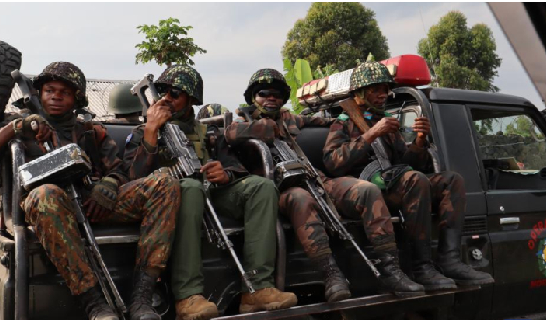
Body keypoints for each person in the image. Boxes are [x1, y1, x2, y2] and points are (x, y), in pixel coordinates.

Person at [0, 62, 181, 320]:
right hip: (47, 210)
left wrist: (108, 184)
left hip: (91, 203)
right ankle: (94, 303)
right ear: (39, 93)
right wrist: (16, 129)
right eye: (49, 89)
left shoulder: (90, 132)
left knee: (165, 183)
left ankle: (142, 299)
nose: (56, 95)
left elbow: (123, 171)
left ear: (77, 99)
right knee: (46, 195)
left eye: (65, 91)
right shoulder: (21, 127)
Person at [224, 69, 425, 300]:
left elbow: (324, 120)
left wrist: (354, 120)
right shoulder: (241, 121)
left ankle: (392, 271)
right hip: (278, 189)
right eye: (263, 93)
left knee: (366, 190)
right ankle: (331, 275)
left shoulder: (290, 118)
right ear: (252, 97)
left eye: (277, 94)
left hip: (315, 178)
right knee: (301, 199)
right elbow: (230, 134)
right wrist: (267, 128)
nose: (271, 98)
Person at [123, 65, 297, 320]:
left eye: (175, 94)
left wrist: (225, 173)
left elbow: (232, 165)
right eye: (162, 92)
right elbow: (132, 178)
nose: (166, 99)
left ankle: (258, 288)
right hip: (171, 201)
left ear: (191, 100)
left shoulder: (207, 132)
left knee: (262, 187)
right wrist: (151, 132)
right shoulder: (143, 132)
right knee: (190, 188)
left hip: (211, 193)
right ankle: (188, 295)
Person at [323, 61, 494, 289]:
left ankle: (449, 260)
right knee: (414, 180)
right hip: (366, 195)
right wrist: (372, 134)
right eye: (376, 89)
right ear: (359, 94)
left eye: (385, 89)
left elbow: (408, 164)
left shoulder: (384, 122)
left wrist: (420, 141)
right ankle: (421, 266)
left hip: (394, 186)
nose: (383, 95)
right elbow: (332, 163)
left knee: (451, 181)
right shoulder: (342, 124)